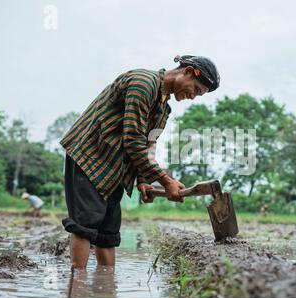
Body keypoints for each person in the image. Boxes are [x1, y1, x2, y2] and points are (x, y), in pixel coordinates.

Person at [60, 55, 220, 270]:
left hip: (116, 168)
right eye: (197, 89)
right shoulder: (142, 83)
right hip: (91, 157)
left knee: (108, 233)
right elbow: (133, 139)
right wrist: (165, 181)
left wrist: (144, 181)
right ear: (188, 71)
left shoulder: (164, 110)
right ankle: (77, 287)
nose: (193, 97)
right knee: (85, 226)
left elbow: (146, 145)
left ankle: (106, 289)